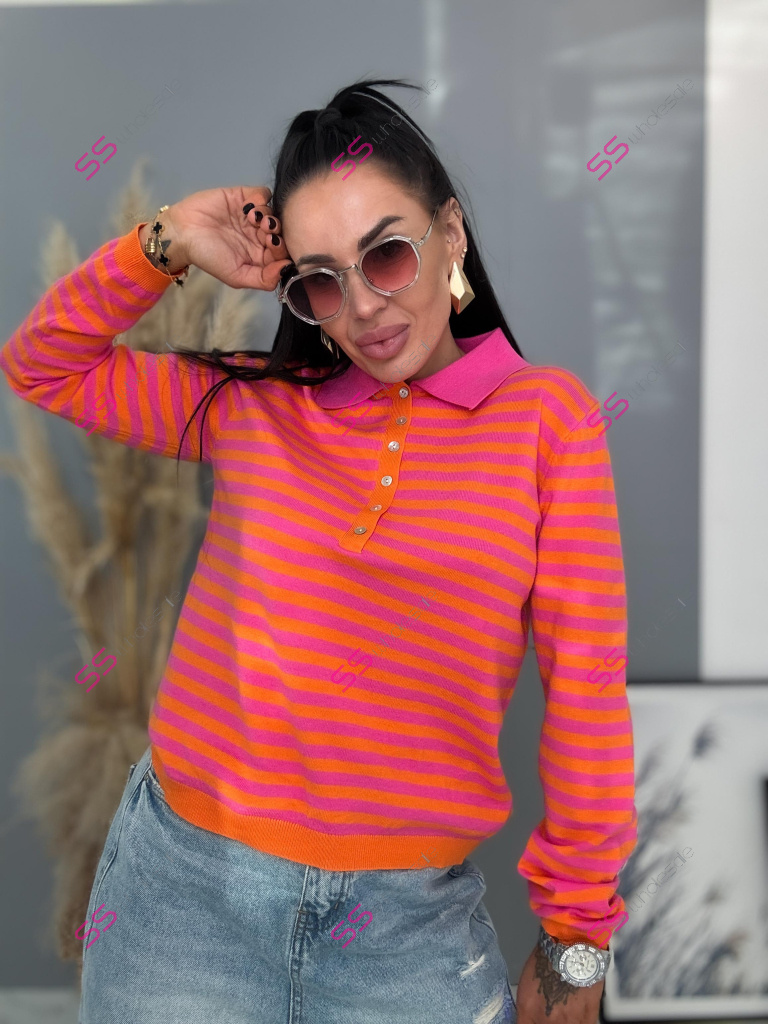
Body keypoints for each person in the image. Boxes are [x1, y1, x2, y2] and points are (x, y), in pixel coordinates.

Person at [0, 78, 637, 1024]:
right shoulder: (257, 406)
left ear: (450, 232)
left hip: (407, 935)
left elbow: (586, 692)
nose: (365, 308)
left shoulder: (549, 423)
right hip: (183, 901)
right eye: (324, 280)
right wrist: (169, 238)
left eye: (388, 253)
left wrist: (577, 935)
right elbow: (43, 362)